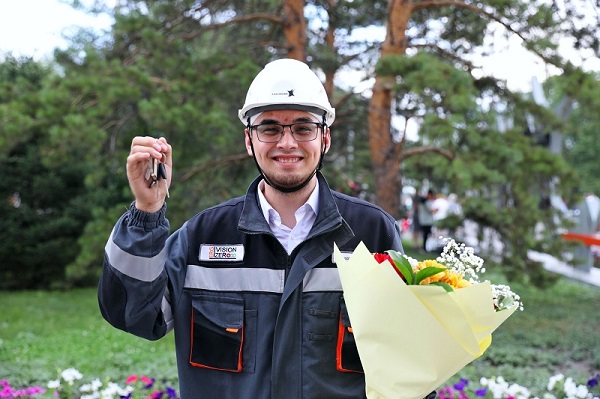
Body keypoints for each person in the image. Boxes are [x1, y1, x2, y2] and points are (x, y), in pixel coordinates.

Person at [98, 58, 406, 399]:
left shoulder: (372, 232)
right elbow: (133, 315)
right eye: (270, 128)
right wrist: (147, 211)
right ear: (249, 140)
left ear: (325, 138)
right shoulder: (203, 236)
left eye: (303, 128)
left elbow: (406, 358)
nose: (287, 143)